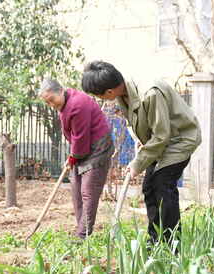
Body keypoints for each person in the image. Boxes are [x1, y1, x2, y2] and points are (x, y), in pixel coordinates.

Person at [81, 61, 201, 244]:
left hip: (179, 139)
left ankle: (171, 244)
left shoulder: (149, 93)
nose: (101, 100)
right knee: (149, 187)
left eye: (99, 96)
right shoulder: (123, 93)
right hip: (159, 142)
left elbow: (162, 135)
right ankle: (155, 240)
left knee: (163, 184)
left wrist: (138, 163)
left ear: (109, 92)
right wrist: (139, 140)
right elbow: (136, 122)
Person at [38, 78, 114, 239]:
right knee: (76, 188)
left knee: (88, 191)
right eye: (47, 103)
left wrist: (73, 156)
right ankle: (81, 230)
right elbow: (76, 136)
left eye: (52, 100)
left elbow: (80, 136)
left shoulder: (77, 104)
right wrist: (72, 156)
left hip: (97, 148)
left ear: (60, 90)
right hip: (82, 147)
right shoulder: (65, 104)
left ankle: (82, 235)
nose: (51, 105)